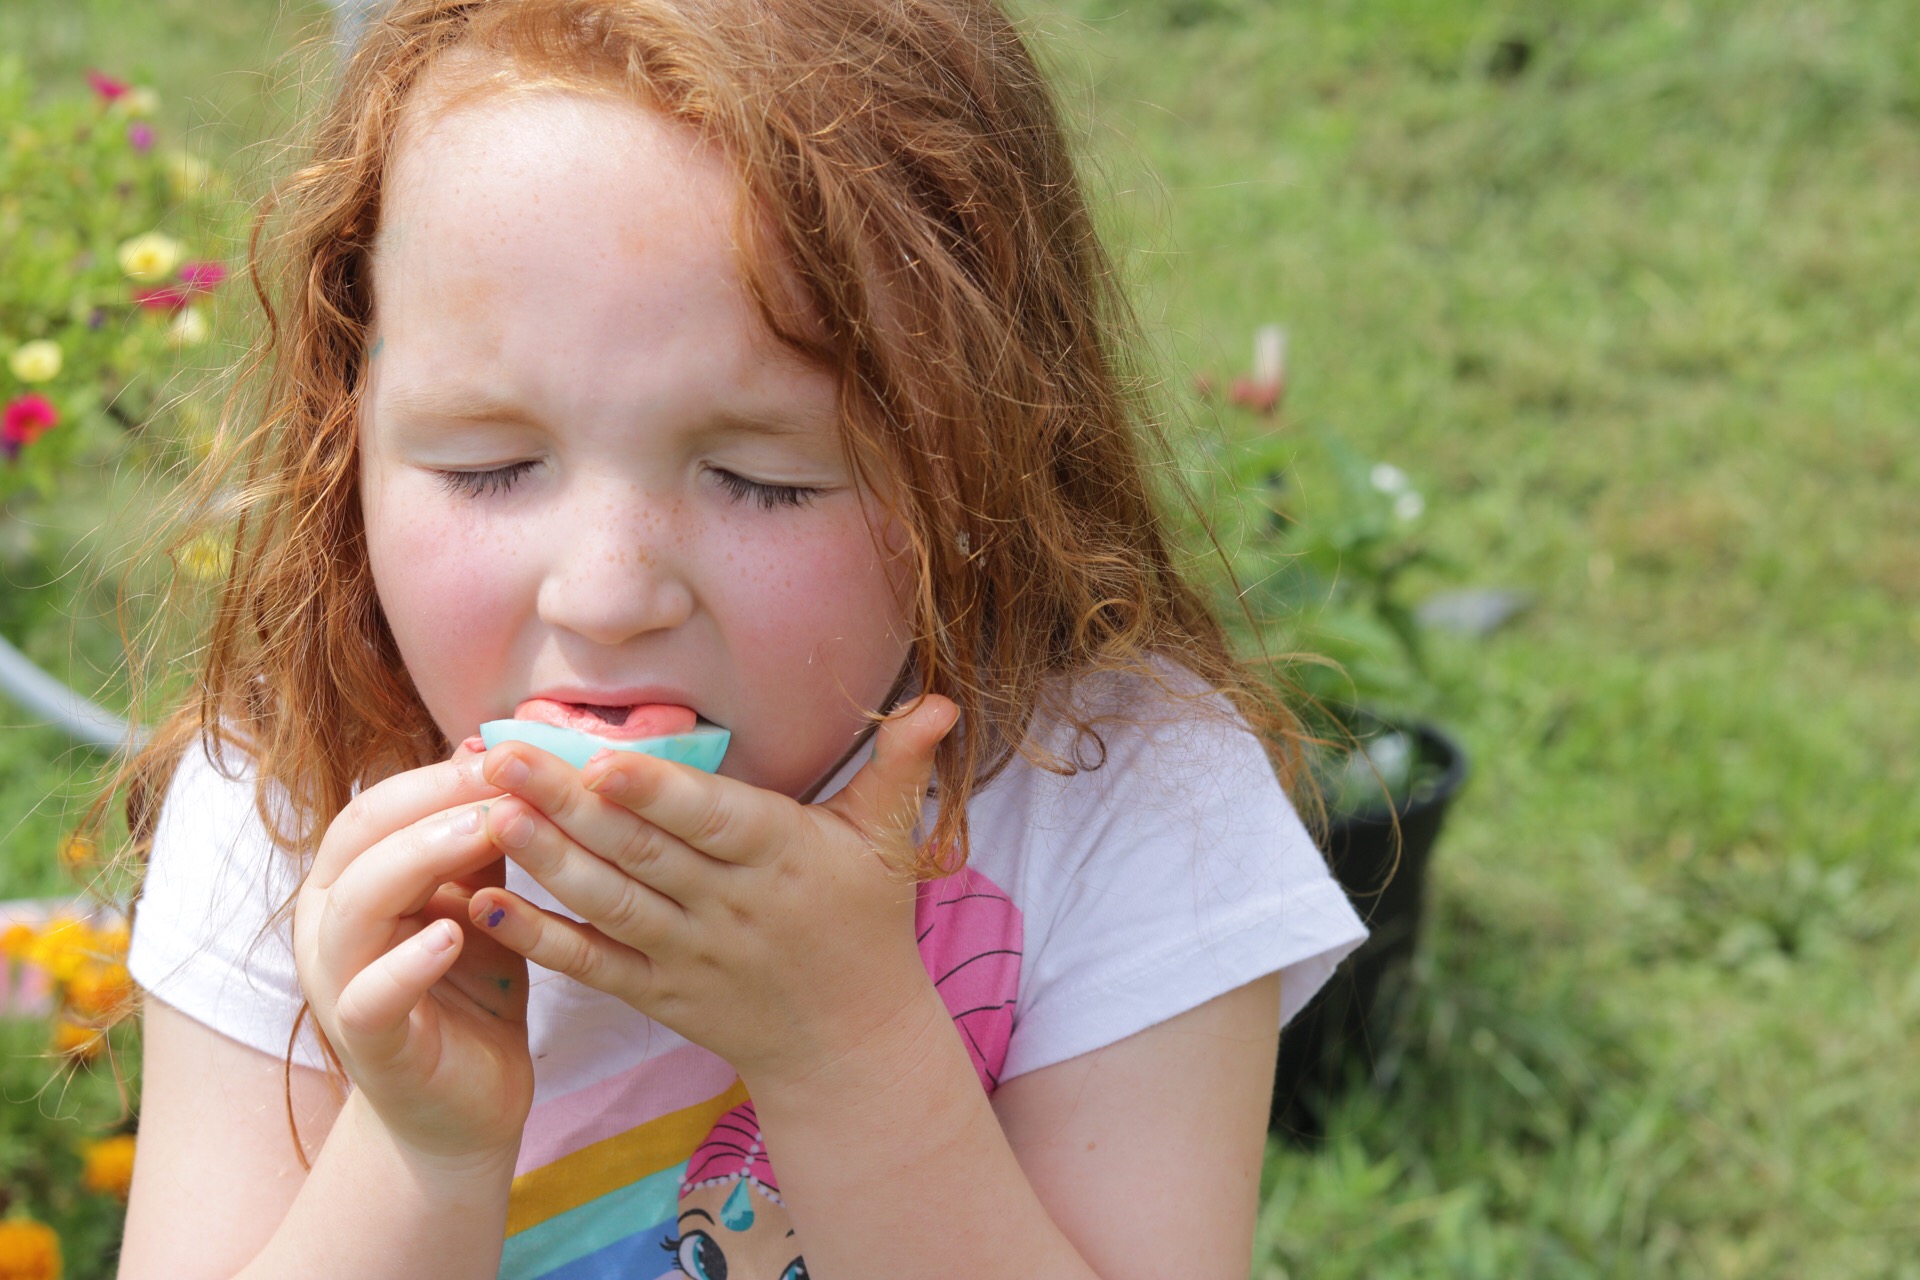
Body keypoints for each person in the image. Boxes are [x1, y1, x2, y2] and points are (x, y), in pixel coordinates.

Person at [111, 1, 1368, 1277]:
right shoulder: (288, 804)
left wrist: (849, 1045)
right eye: (489, 466)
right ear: (350, 436)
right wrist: (417, 1150)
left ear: (982, 455)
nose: (604, 596)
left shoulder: (1125, 802)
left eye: (762, 479)